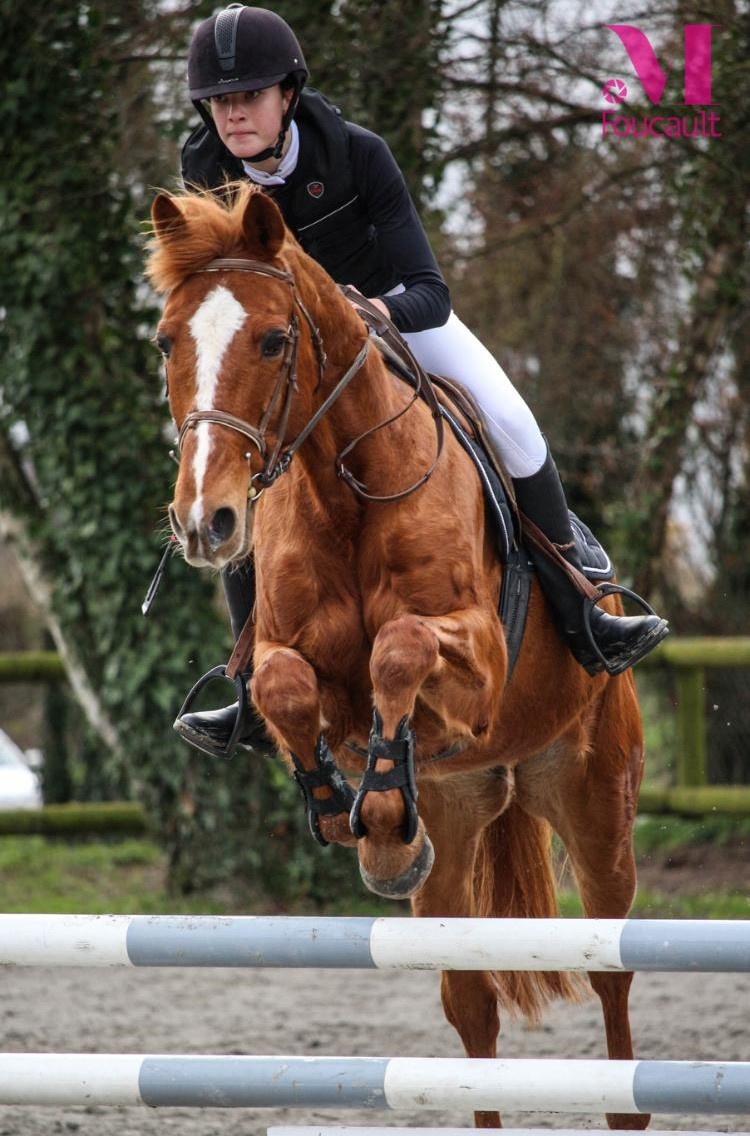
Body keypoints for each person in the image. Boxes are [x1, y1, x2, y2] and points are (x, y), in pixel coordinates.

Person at [174, 3, 668, 759]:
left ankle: (583, 612)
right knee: (227, 465)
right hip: (281, 356)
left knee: (512, 423)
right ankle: (247, 684)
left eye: (250, 96)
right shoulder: (203, 167)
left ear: (289, 96)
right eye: (220, 101)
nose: (233, 114)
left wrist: (360, 314)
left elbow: (429, 290)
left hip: (394, 321)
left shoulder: (358, 155)